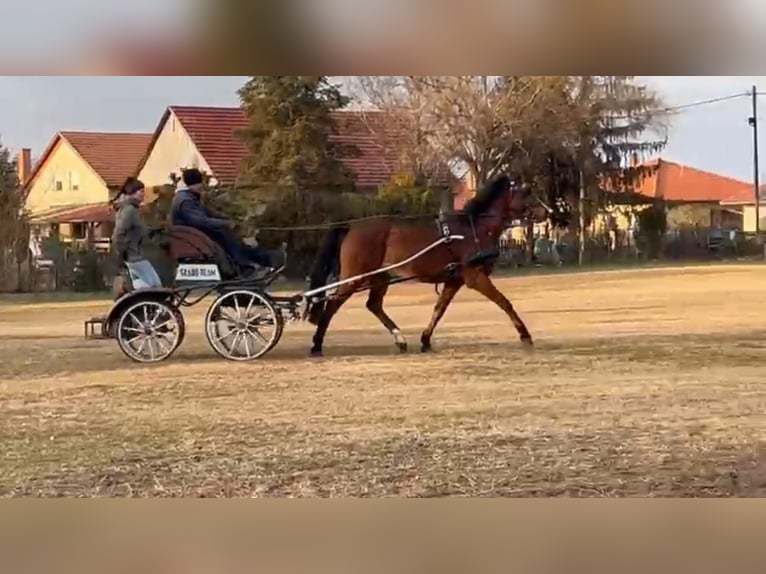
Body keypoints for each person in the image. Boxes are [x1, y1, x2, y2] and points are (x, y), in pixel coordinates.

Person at [170, 167, 275, 274]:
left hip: (196, 232)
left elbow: (209, 213)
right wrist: (226, 224)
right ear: (194, 184)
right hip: (194, 235)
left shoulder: (187, 197)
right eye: (200, 184)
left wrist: (228, 220)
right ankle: (245, 267)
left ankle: (258, 261)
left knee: (231, 236)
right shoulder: (186, 200)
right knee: (228, 237)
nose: (202, 187)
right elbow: (199, 220)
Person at [112, 177, 163, 289]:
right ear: (132, 193)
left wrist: (152, 231)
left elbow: (136, 230)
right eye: (141, 192)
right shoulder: (129, 210)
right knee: (155, 287)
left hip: (135, 256)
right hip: (134, 257)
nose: (143, 195)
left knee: (148, 288)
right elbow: (119, 233)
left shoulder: (132, 209)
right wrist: (121, 254)